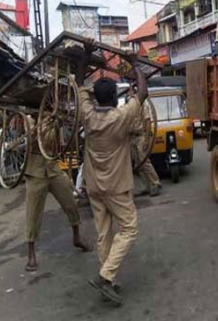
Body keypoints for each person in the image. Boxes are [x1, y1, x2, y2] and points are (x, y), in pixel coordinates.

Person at [78, 52, 148, 305]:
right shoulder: (120, 116)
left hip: (94, 185)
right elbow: (142, 93)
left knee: (103, 233)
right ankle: (105, 276)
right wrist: (137, 65)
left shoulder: (87, 114)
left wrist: (82, 64)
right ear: (115, 99)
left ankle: (109, 280)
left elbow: (80, 90)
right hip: (116, 186)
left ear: (97, 97)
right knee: (129, 228)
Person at [23, 115, 92, 272]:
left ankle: (77, 237)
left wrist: (64, 124)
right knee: (33, 213)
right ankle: (31, 254)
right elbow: (30, 142)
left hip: (53, 169)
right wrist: (40, 125)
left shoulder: (53, 117)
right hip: (35, 172)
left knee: (71, 202)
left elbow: (60, 145)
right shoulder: (28, 119)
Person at [131, 96, 161, 197]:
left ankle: (155, 183)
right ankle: (146, 186)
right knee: (138, 163)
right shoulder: (129, 106)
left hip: (141, 136)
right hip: (132, 138)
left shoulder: (143, 105)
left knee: (145, 162)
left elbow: (147, 121)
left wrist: (147, 139)